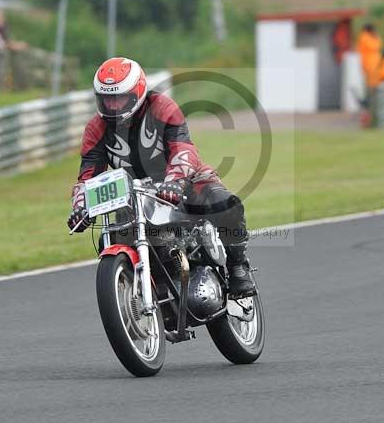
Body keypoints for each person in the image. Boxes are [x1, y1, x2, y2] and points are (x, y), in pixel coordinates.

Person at [67, 57, 256, 297]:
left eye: (119, 98)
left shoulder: (162, 107)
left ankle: (238, 267)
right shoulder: (96, 129)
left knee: (225, 204)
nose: (112, 105)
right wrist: (82, 206)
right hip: (134, 194)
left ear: (137, 93)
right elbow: (88, 174)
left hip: (186, 179)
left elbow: (183, 148)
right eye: (106, 99)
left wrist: (175, 181)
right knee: (112, 238)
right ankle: (151, 288)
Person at [356, 23, 383, 125]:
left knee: (372, 93)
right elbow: (377, 46)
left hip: (372, 68)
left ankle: (370, 116)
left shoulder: (366, 38)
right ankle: (369, 118)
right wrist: (376, 37)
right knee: (371, 93)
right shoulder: (365, 38)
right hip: (370, 68)